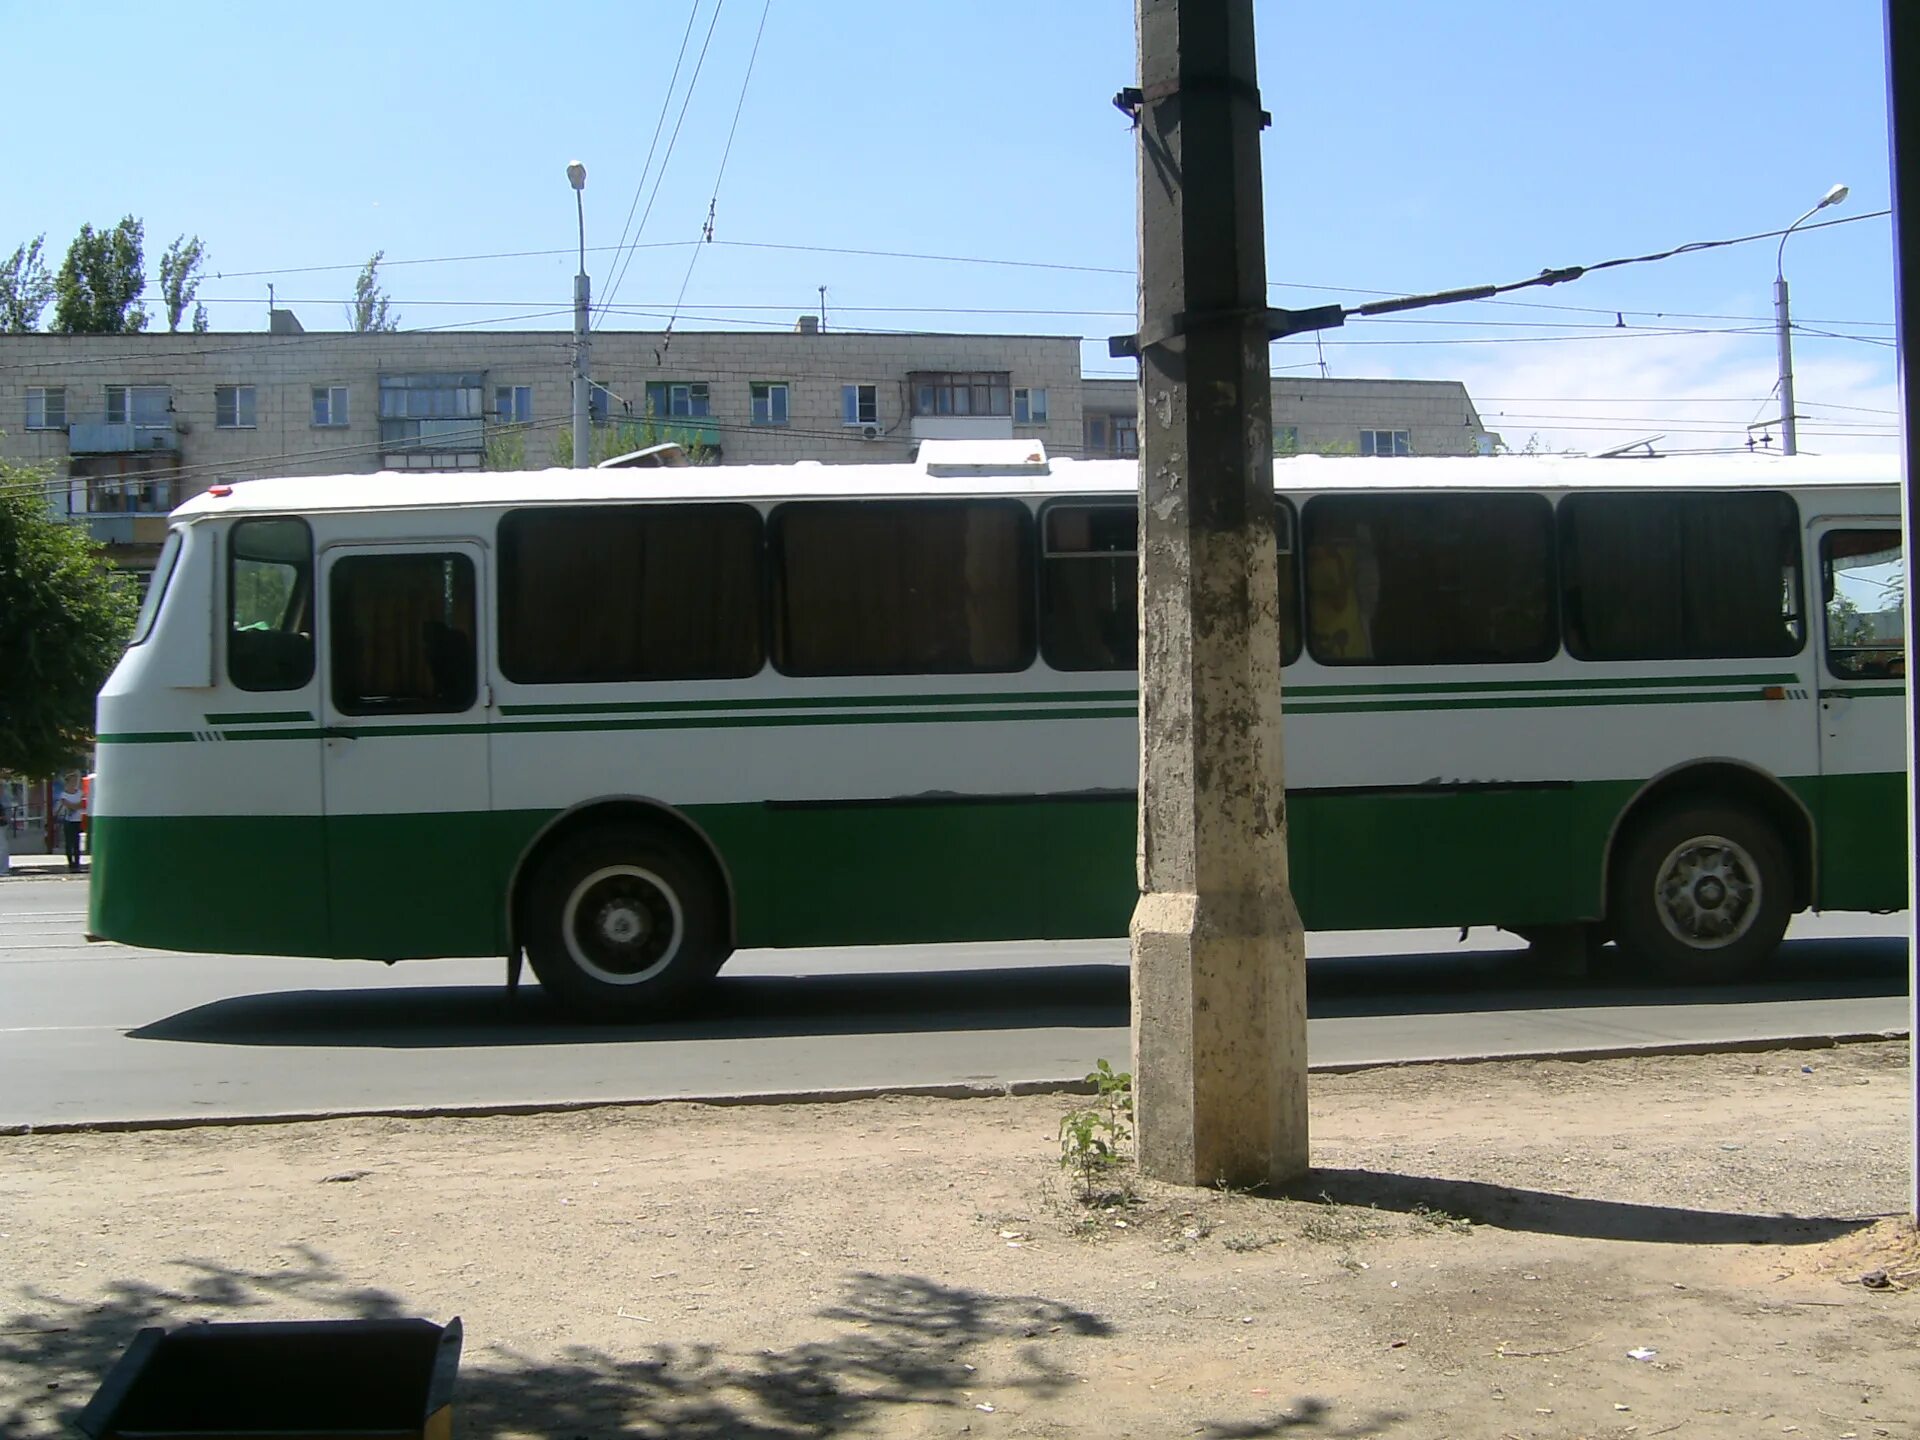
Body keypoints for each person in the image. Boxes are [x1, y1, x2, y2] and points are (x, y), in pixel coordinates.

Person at [53, 776, 84, 873]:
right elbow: (67, 804)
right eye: (72, 781)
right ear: (68, 782)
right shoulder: (63, 794)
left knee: (76, 843)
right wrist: (75, 806)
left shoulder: (79, 793)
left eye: (75, 781)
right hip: (68, 820)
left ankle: (77, 863)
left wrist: (74, 806)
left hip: (77, 820)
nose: (74, 783)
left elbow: (81, 804)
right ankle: (70, 863)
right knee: (69, 842)